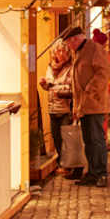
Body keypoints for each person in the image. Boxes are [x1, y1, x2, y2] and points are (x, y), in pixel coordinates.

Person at [68, 26, 110, 187]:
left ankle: (101, 173)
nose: (69, 45)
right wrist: (76, 105)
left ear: (77, 39)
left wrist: (90, 91)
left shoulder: (94, 49)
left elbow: (104, 71)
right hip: (83, 105)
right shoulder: (79, 51)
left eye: (70, 42)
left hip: (94, 104)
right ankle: (92, 173)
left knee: (96, 139)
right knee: (89, 140)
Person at [40, 38, 76, 176]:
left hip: (65, 108)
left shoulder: (71, 68)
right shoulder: (50, 67)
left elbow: (73, 86)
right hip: (52, 107)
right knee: (56, 139)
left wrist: (56, 88)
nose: (59, 53)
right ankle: (62, 163)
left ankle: (68, 166)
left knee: (66, 139)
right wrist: (45, 84)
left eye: (62, 50)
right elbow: (49, 84)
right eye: (57, 50)